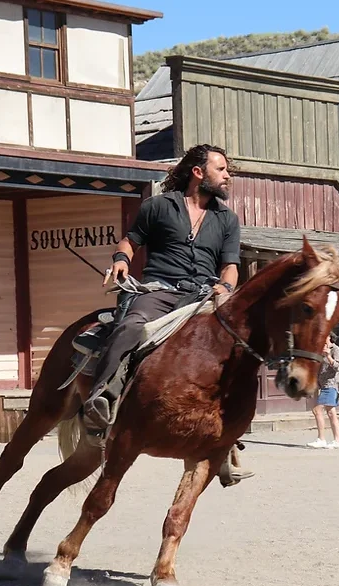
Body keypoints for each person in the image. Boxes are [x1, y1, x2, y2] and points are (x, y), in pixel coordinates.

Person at [87, 143, 253, 485]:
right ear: (198, 172)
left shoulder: (228, 219)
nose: (227, 176)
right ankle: (100, 399)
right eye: (221, 170)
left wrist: (225, 287)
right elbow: (129, 242)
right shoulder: (157, 207)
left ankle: (226, 441)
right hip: (160, 292)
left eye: (227, 171)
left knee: (234, 349)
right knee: (132, 326)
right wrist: (120, 261)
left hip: (204, 296)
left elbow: (231, 266)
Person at [306, 333, 339, 449]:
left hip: (331, 384)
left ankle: (325, 439)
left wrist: (328, 356)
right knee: (326, 412)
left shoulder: (335, 349)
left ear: (330, 337)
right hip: (321, 384)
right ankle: (333, 440)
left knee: (322, 411)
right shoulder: (318, 349)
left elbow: (338, 366)